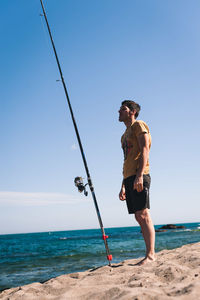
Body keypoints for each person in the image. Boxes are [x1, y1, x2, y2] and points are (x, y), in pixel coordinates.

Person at [119, 100, 155, 265]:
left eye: (123, 108)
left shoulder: (139, 125)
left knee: (143, 214)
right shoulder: (124, 135)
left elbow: (145, 149)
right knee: (138, 216)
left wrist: (140, 175)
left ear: (132, 111)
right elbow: (127, 159)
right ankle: (148, 253)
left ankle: (150, 255)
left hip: (139, 175)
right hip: (129, 177)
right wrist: (123, 186)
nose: (119, 110)